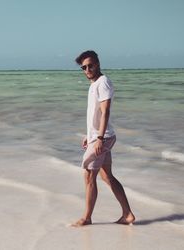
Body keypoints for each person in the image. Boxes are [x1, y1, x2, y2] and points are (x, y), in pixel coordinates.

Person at [72, 50, 135, 227]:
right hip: (98, 136)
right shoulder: (94, 85)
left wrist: (99, 137)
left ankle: (86, 218)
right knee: (107, 176)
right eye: (84, 67)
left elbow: (106, 111)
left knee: (89, 175)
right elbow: (96, 114)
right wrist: (90, 135)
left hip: (103, 137)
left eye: (90, 65)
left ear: (98, 64)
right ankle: (127, 214)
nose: (87, 69)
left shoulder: (103, 82)